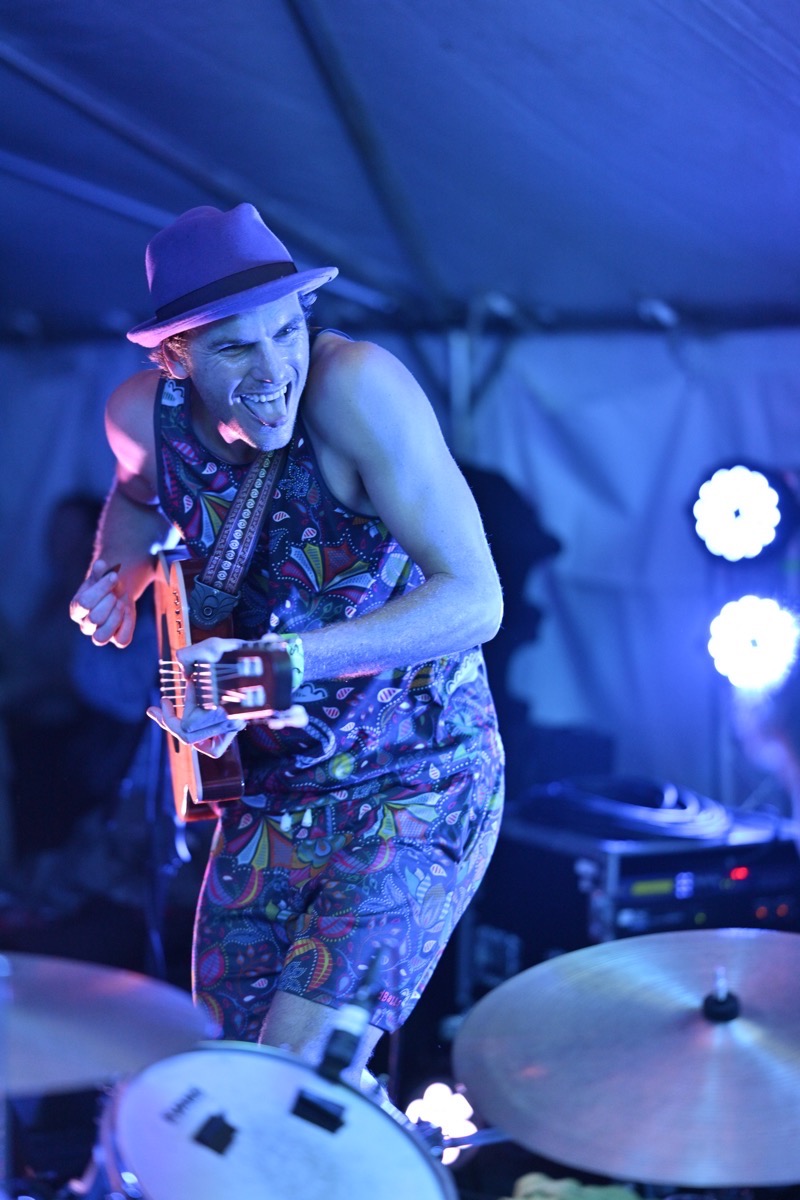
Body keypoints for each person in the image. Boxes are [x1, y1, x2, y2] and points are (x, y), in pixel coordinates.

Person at [69, 203, 505, 1091]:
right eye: (235, 349)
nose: (276, 372)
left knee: (296, 1069)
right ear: (175, 360)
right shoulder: (138, 417)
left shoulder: (358, 388)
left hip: (416, 780)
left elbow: (477, 598)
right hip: (267, 800)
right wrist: (111, 572)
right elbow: (138, 497)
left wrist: (291, 662)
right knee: (231, 1088)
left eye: (288, 330)